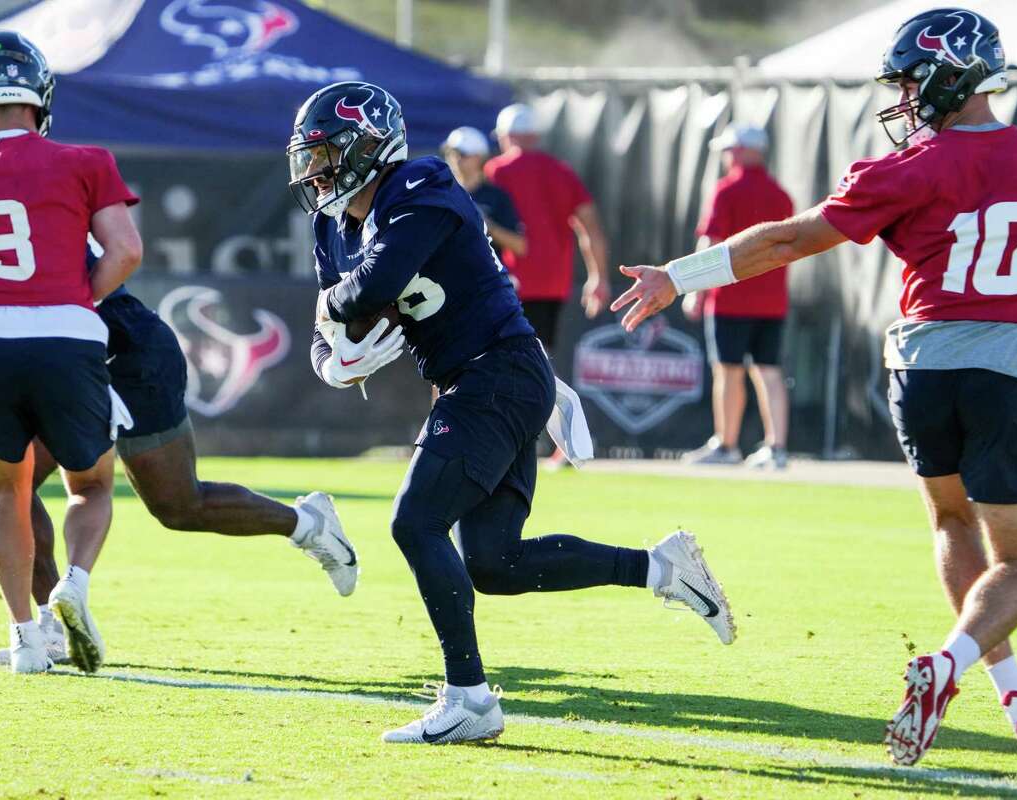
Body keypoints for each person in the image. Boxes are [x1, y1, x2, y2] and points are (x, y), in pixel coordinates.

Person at [610, 8, 1017, 766]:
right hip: (1008, 365)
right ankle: (951, 664)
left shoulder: (914, 166)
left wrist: (679, 274)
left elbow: (786, 240)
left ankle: (1015, 691)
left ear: (952, 73)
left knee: (949, 521)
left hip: (921, 363)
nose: (905, 95)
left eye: (912, 78)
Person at [288, 81, 735, 745]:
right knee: (493, 564)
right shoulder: (341, 224)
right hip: (488, 378)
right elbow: (348, 305)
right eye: (311, 156)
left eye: (326, 153)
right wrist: (338, 340)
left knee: (416, 522)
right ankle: (661, 567)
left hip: (497, 372)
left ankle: (468, 698)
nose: (315, 169)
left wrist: (335, 317)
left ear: (367, 145)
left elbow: (367, 291)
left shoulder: (421, 183)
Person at [0, 85, 360, 668]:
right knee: (8, 484)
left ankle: (307, 524)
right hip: (65, 356)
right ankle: (50, 620)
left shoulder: (24, 172)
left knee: (178, 506)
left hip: (125, 347)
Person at [0, 31, 140, 674]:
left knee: (6, 491)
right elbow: (127, 253)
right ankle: (74, 586)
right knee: (90, 485)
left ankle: (23, 640)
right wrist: (73, 298)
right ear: (39, 99)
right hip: (66, 331)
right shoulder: (87, 160)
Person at [680, 124, 794, 469]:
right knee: (769, 371)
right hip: (772, 301)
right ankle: (777, 449)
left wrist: (693, 290)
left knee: (728, 372)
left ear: (746, 150)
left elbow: (710, 244)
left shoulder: (726, 190)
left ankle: (727, 446)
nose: (727, 156)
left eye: (731, 150)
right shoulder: (781, 194)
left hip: (729, 299)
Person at [484, 103, 610, 350]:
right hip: (553, 284)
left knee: (504, 356)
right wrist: (598, 277)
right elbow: (591, 229)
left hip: (506, 283)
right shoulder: (562, 171)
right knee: (540, 356)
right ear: (535, 136)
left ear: (507, 136)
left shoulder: (496, 171)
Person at [441, 126, 526, 260]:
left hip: (484, 277)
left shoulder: (497, 196)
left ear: (479, 157)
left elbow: (520, 246)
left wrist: (488, 226)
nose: (455, 158)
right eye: (450, 152)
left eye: (462, 154)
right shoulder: (441, 194)